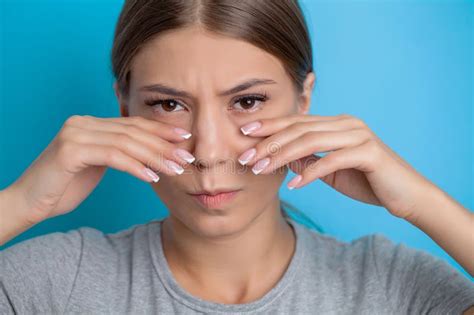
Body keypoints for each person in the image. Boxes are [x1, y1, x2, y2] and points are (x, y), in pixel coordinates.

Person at [1, 0, 473, 314]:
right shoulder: (54, 285)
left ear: (303, 100)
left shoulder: (390, 289)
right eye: (169, 105)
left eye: (247, 102)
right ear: (124, 109)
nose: (208, 152)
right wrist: (22, 203)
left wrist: (420, 201)